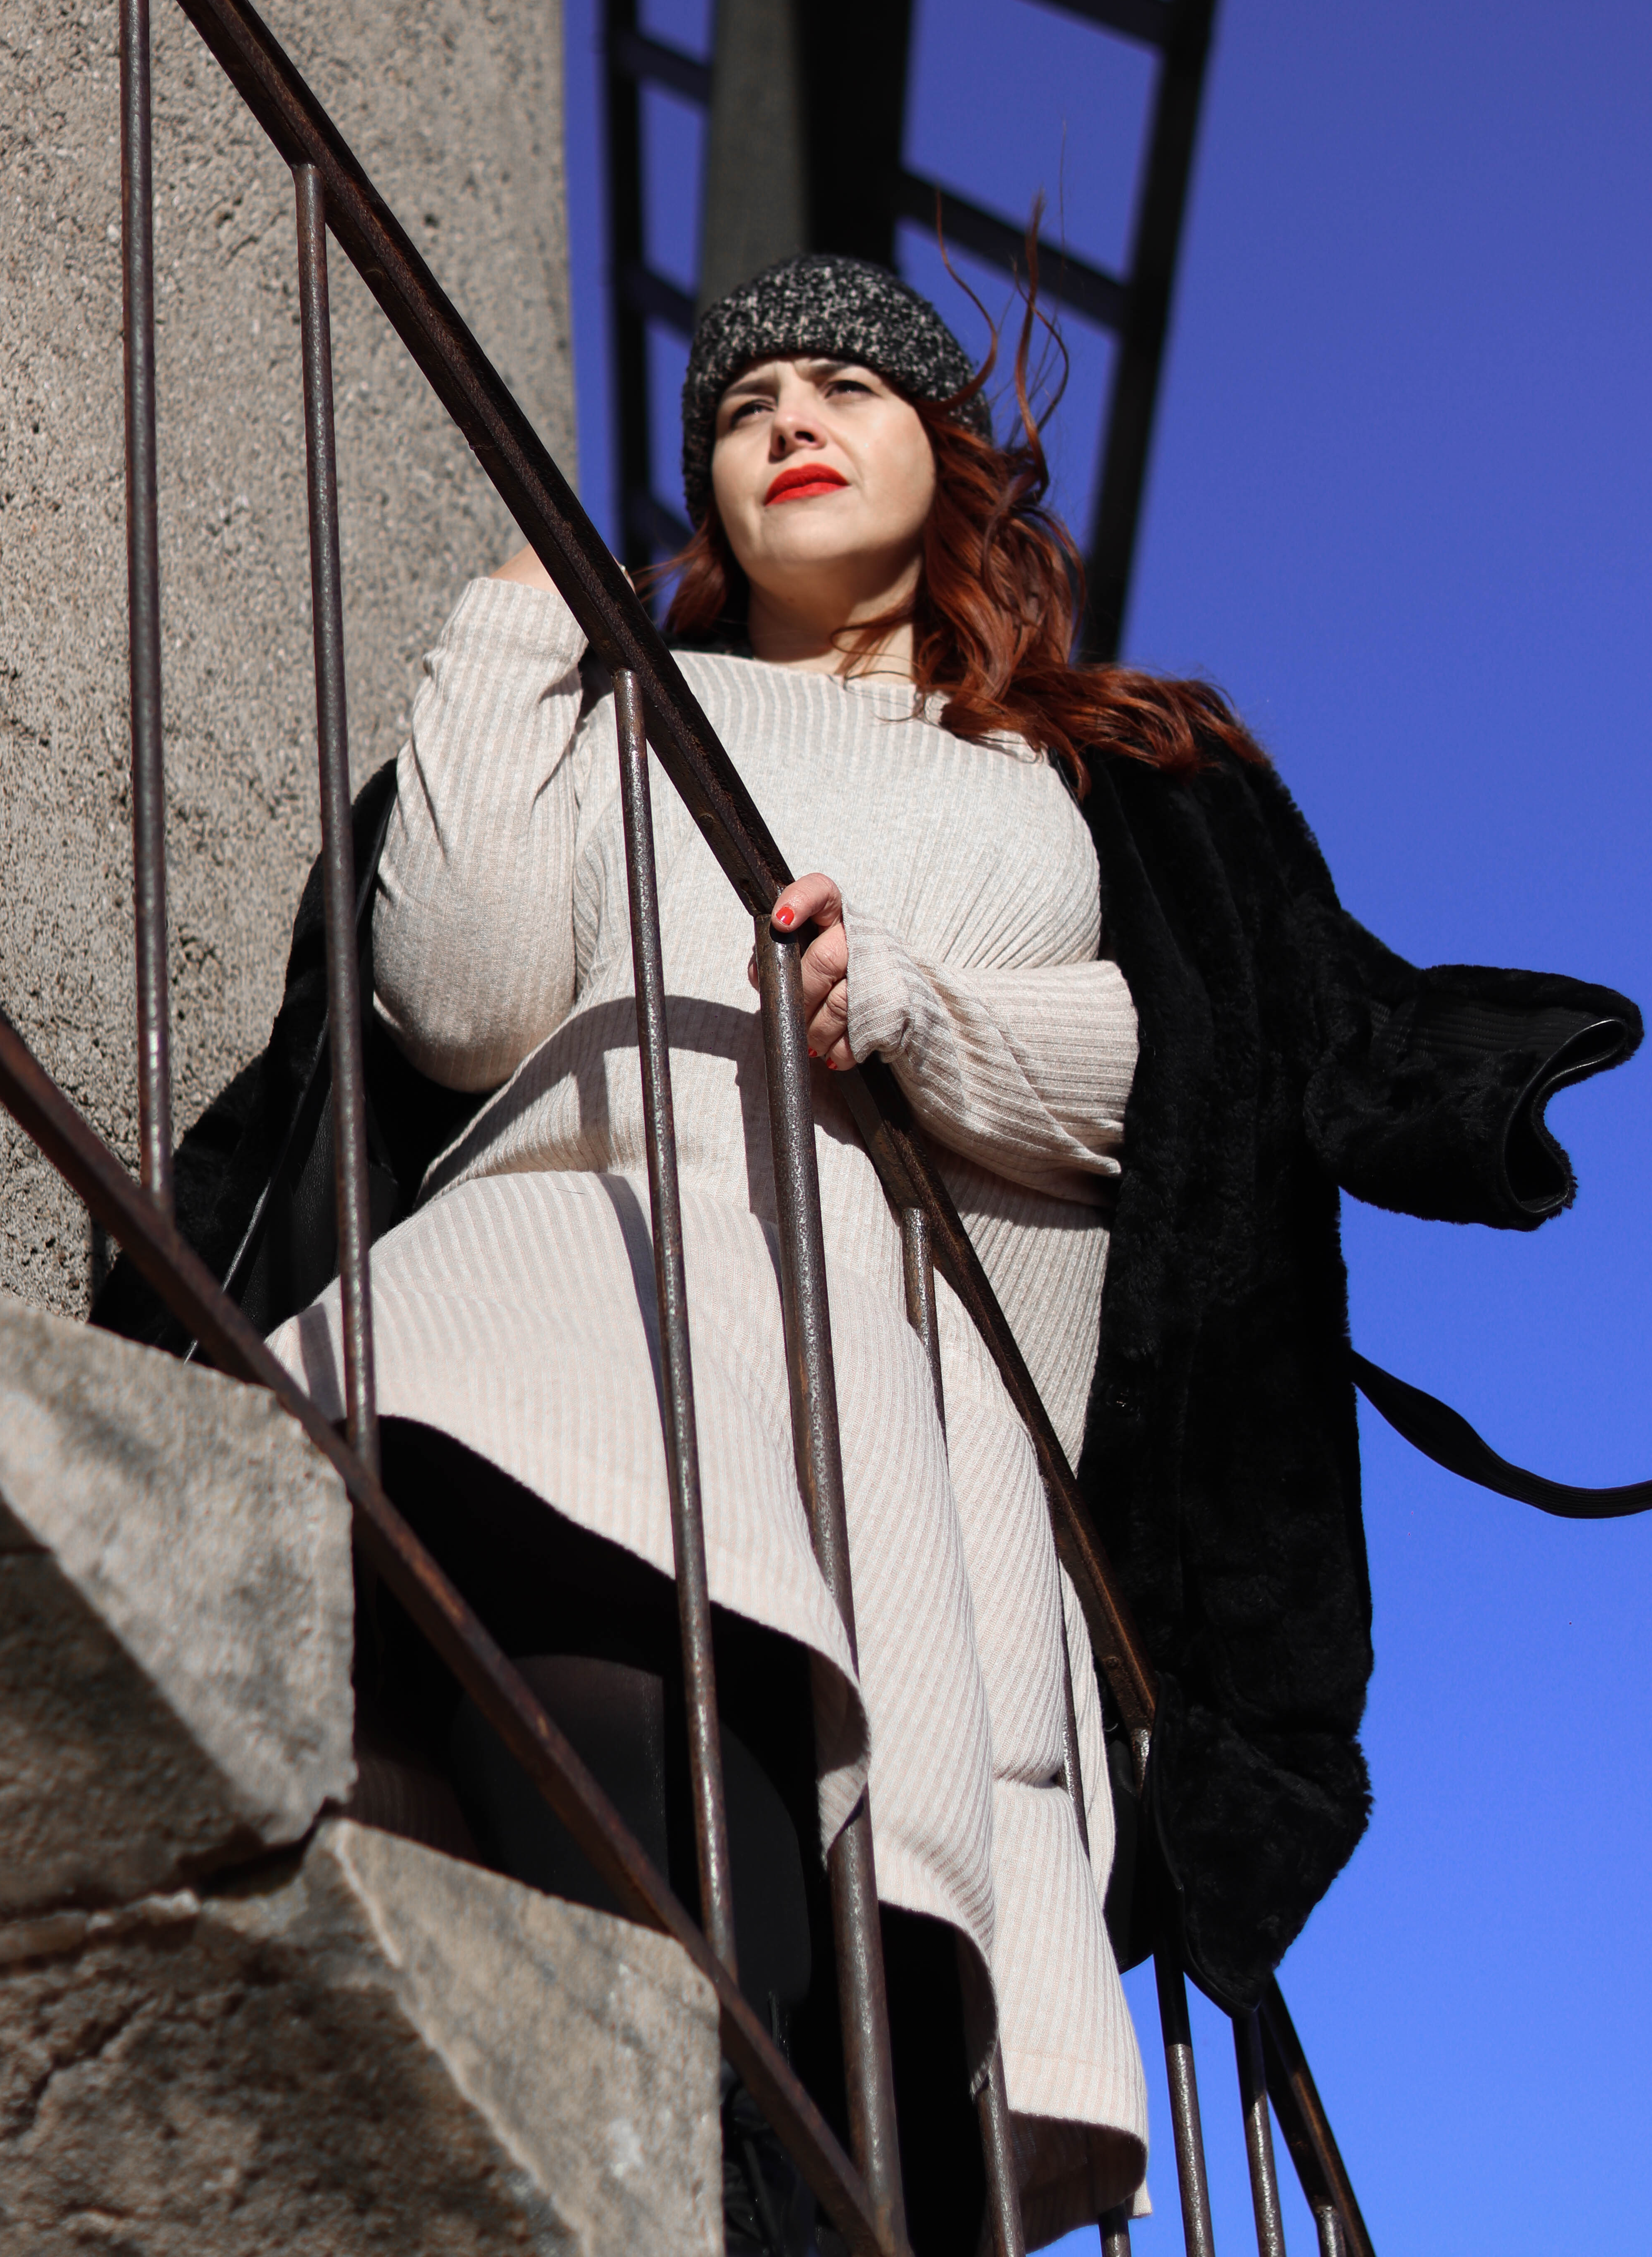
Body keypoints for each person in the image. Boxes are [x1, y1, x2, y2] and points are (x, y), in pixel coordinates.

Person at [250, 249, 1638, 2254]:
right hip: (578, 1271)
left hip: (906, 1410)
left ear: (951, 460)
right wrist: (507, 635)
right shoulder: (624, 706)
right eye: (743, 410)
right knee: (611, 1834)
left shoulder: (1097, 775)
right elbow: (458, 1003)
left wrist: (917, 1011)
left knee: (833, 1986)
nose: (787, 423)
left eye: (844, 389)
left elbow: (1188, 1090)